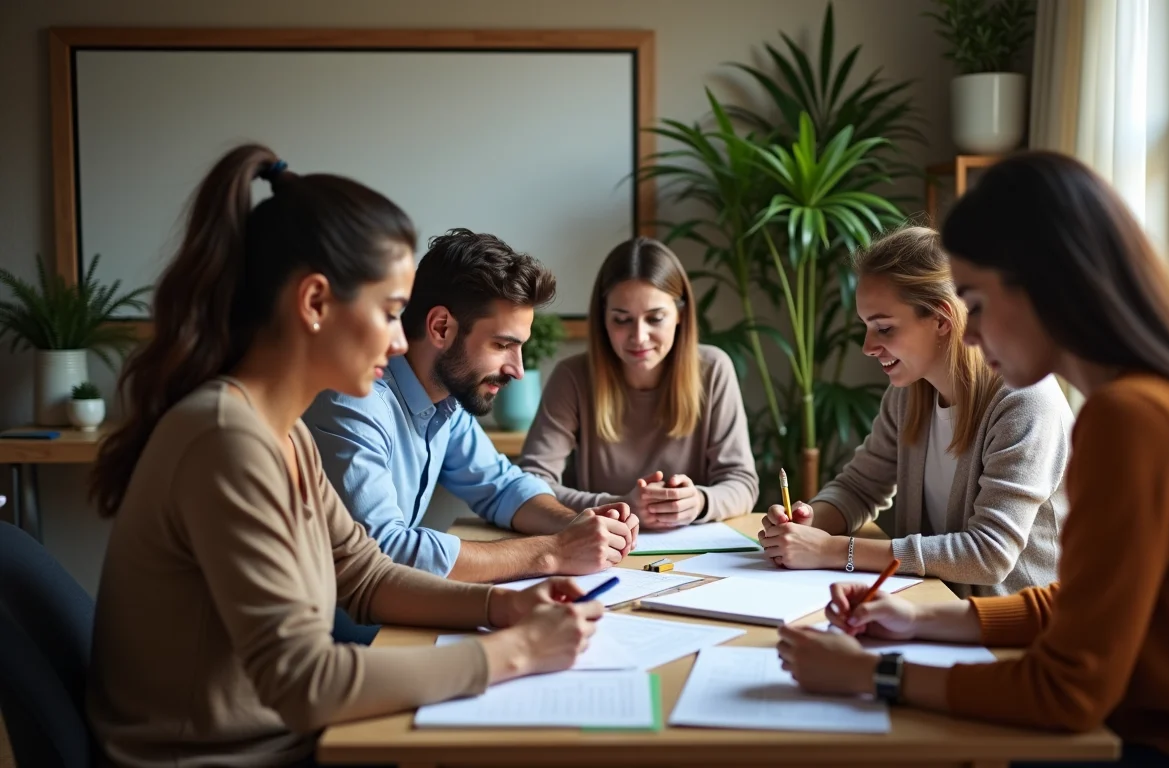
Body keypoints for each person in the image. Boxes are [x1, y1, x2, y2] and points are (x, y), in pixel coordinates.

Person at [86, 146, 604, 767]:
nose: (397, 339)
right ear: (313, 304)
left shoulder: (282, 433)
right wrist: (513, 654)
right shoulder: (226, 441)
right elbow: (304, 683)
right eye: (390, 313)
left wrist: (505, 606)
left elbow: (363, 575)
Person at [777, 152, 1169, 768]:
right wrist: (925, 625)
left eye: (976, 305)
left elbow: (1067, 692)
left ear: (1042, 287)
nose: (966, 332)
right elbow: (1076, 604)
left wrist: (877, 676)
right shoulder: (1158, 396)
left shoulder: (1131, 419)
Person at [303, 229, 637, 586]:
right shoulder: (355, 401)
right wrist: (554, 551)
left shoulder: (447, 400)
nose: (518, 370)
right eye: (501, 345)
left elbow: (501, 486)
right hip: (347, 634)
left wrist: (577, 523)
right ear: (441, 327)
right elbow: (384, 550)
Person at [758, 226, 1072, 597]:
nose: (868, 346)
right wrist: (811, 524)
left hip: (1007, 630)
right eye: (866, 327)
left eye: (884, 328)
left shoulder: (1025, 401)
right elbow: (860, 486)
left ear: (942, 320)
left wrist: (832, 550)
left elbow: (989, 554)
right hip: (929, 608)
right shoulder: (909, 393)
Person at [518, 237, 759, 528]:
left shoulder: (713, 369)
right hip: (600, 546)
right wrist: (617, 505)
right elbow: (532, 484)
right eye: (622, 320)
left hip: (695, 553)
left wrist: (700, 502)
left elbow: (743, 483)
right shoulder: (572, 377)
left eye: (655, 318)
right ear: (603, 318)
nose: (639, 337)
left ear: (680, 315)